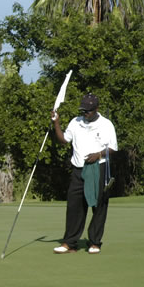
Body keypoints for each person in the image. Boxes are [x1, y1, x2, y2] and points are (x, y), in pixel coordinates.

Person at [51, 93, 117, 254]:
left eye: (88, 111)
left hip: (97, 169)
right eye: (83, 110)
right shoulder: (76, 122)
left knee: (98, 206)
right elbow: (64, 141)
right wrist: (56, 123)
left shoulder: (106, 125)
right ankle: (69, 243)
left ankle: (94, 243)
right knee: (74, 206)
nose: (85, 113)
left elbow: (113, 149)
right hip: (78, 170)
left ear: (96, 109)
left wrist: (98, 154)